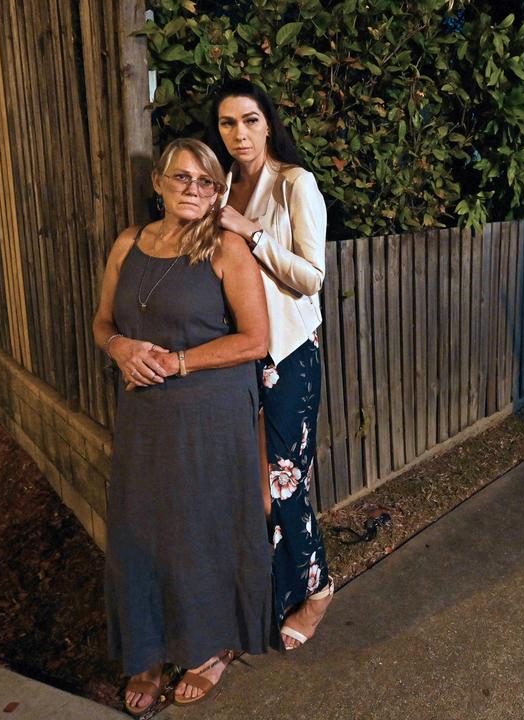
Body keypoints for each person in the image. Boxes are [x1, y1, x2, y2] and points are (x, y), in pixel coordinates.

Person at [92, 138, 271, 714]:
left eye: (207, 182)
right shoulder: (129, 243)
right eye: (182, 179)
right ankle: (145, 650)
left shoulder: (225, 248)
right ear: (159, 184)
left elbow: (255, 340)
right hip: (145, 413)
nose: (194, 191)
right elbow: (100, 322)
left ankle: (208, 648)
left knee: (201, 532)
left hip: (210, 412)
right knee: (139, 529)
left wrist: (179, 362)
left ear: (218, 192)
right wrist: (118, 346)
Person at [206, 79, 334, 651]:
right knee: (253, 490)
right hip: (239, 356)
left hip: (288, 354)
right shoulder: (224, 186)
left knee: (285, 485)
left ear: (268, 122)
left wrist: (251, 233)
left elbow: (312, 278)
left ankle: (319, 589)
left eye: (250, 120)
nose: (240, 133)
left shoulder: (293, 184)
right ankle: (277, 593)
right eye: (229, 123)